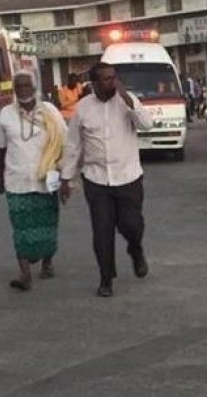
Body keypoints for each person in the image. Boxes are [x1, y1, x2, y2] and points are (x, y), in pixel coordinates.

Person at [60, 62, 154, 298]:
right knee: (102, 231)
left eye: (112, 77)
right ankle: (106, 278)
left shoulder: (126, 100)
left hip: (128, 177)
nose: (109, 82)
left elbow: (147, 124)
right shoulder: (83, 108)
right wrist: (66, 179)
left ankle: (136, 250)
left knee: (132, 225)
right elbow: (73, 146)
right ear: (93, 83)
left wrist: (127, 98)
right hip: (96, 180)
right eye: (104, 79)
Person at [0, 70, 67, 291]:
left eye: (27, 86)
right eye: (19, 86)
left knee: (47, 224)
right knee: (21, 227)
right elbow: (0, 147)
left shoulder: (50, 112)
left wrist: (65, 177)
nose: (23, 90)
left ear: (34, 88)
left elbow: (65, 142)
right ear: (15, 90)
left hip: (47, 179)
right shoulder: (6, 114)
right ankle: (25, 274)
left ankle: (47, 262)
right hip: (16, 181)